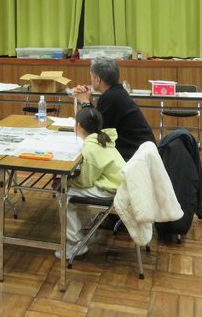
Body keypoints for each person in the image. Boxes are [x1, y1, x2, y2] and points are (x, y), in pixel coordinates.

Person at [56, 106, 126, 259]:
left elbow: (85, 182)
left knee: (64, 193)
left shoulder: (90, 148)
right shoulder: (102, 139)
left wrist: (68, 182)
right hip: (119, 184)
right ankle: (86, 231)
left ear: (78, 126)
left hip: (112, 190)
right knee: (71, 191)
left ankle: (75, 243)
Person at [72, 57, 155, 161]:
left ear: (97, 79)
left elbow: (94, 128)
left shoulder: (110, 98)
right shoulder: (116, 92)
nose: (91, 80)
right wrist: (87, 100)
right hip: (141, 151)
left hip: (134, 156)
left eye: (91, 76)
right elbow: (98, 118)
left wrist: (85, 102)